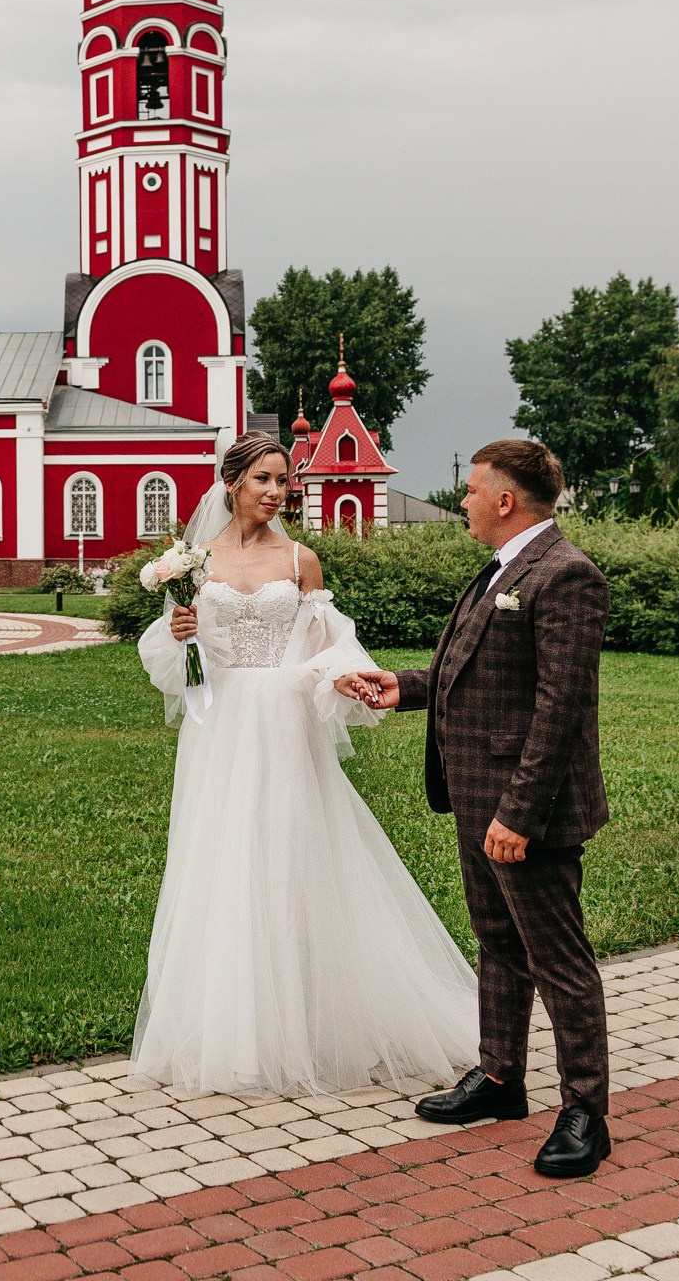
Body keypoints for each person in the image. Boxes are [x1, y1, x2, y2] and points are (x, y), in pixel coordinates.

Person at [132, 430, 477, 1096]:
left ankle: (318, 1020)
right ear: (230, 483)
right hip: (224, 726)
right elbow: (184, 669)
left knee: (298, 853)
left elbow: (329, 642)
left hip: (285, 720)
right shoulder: (192, 562)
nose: (275, 491)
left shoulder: (300, 561)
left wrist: (346, 677)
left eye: (282, 479)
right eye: (262, 478)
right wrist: (181, 638)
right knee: (227, 858)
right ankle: (237, 1028)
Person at [346, 439, 613, 1178]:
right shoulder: (498, 571)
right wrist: (403, 686)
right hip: (475, 795)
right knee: (497, 941)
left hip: (527, 808)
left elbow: (561, 709)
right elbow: (467, 669)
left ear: (504, 500)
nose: (461, 500)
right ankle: (500, 1079)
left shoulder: (566, 575)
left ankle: (585, 1111)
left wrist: (520, 814)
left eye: (470, 490)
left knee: (558, 958)